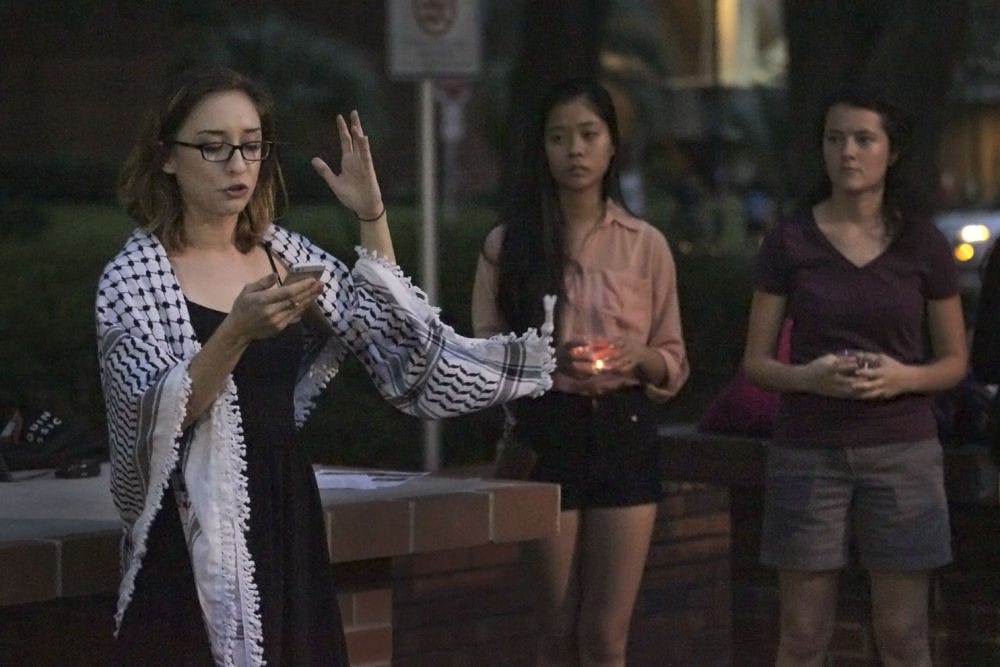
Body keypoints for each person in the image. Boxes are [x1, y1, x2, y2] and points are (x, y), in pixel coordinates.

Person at [96, 65, 556, 667]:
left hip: (284, 506)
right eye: (213, 146)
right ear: (167, 157)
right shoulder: (132, 278)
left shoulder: (282, 252)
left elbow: (396, 342)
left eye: (252, 144)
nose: (237, 163)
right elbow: (153, 418)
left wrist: (372, 215)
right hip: (186, 532)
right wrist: (235, 332)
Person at [742, 88, 968, 666]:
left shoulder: (922, 243)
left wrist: (902, 378)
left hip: (901, 448)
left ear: (891, 152)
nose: (847, 152)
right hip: (809, 448)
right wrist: (809, 377)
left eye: (864, 139)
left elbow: (954, 362)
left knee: (903, 636)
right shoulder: (790, 241)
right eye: (834, 138)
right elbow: (757, 362)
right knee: (801, 636)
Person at [471, 78, 689, 666]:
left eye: (589, 135)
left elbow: (672, 357)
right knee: (556, 631)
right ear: (541, 148)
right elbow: (482, 355)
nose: (574, 151)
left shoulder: (646, 245)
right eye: (559, 137)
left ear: (612, 146)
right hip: (546, 431)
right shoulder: (508, 245)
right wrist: (541, 361)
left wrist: (637, 358)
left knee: (605, 637)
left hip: (624, 426)